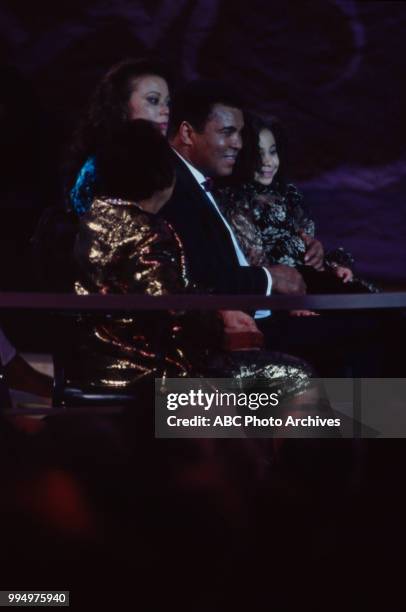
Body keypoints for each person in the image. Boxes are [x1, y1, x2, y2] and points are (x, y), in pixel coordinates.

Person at [215, 113, 377, 300]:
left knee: (370, 300)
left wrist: (322, 257)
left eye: (272, 151)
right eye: (258, 154)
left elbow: (305, 239)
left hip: (312, 278)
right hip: (286, 291)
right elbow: (258, 264)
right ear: (243, 157)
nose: (268, 161)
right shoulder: (237, 202)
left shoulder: (287, 195)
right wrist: (289, 300)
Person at [67, 58, 172, 216]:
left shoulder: (165, 160)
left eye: (167, 102)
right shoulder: (99, 164)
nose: (165, 110)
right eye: (153, 100)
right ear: (121, 104)